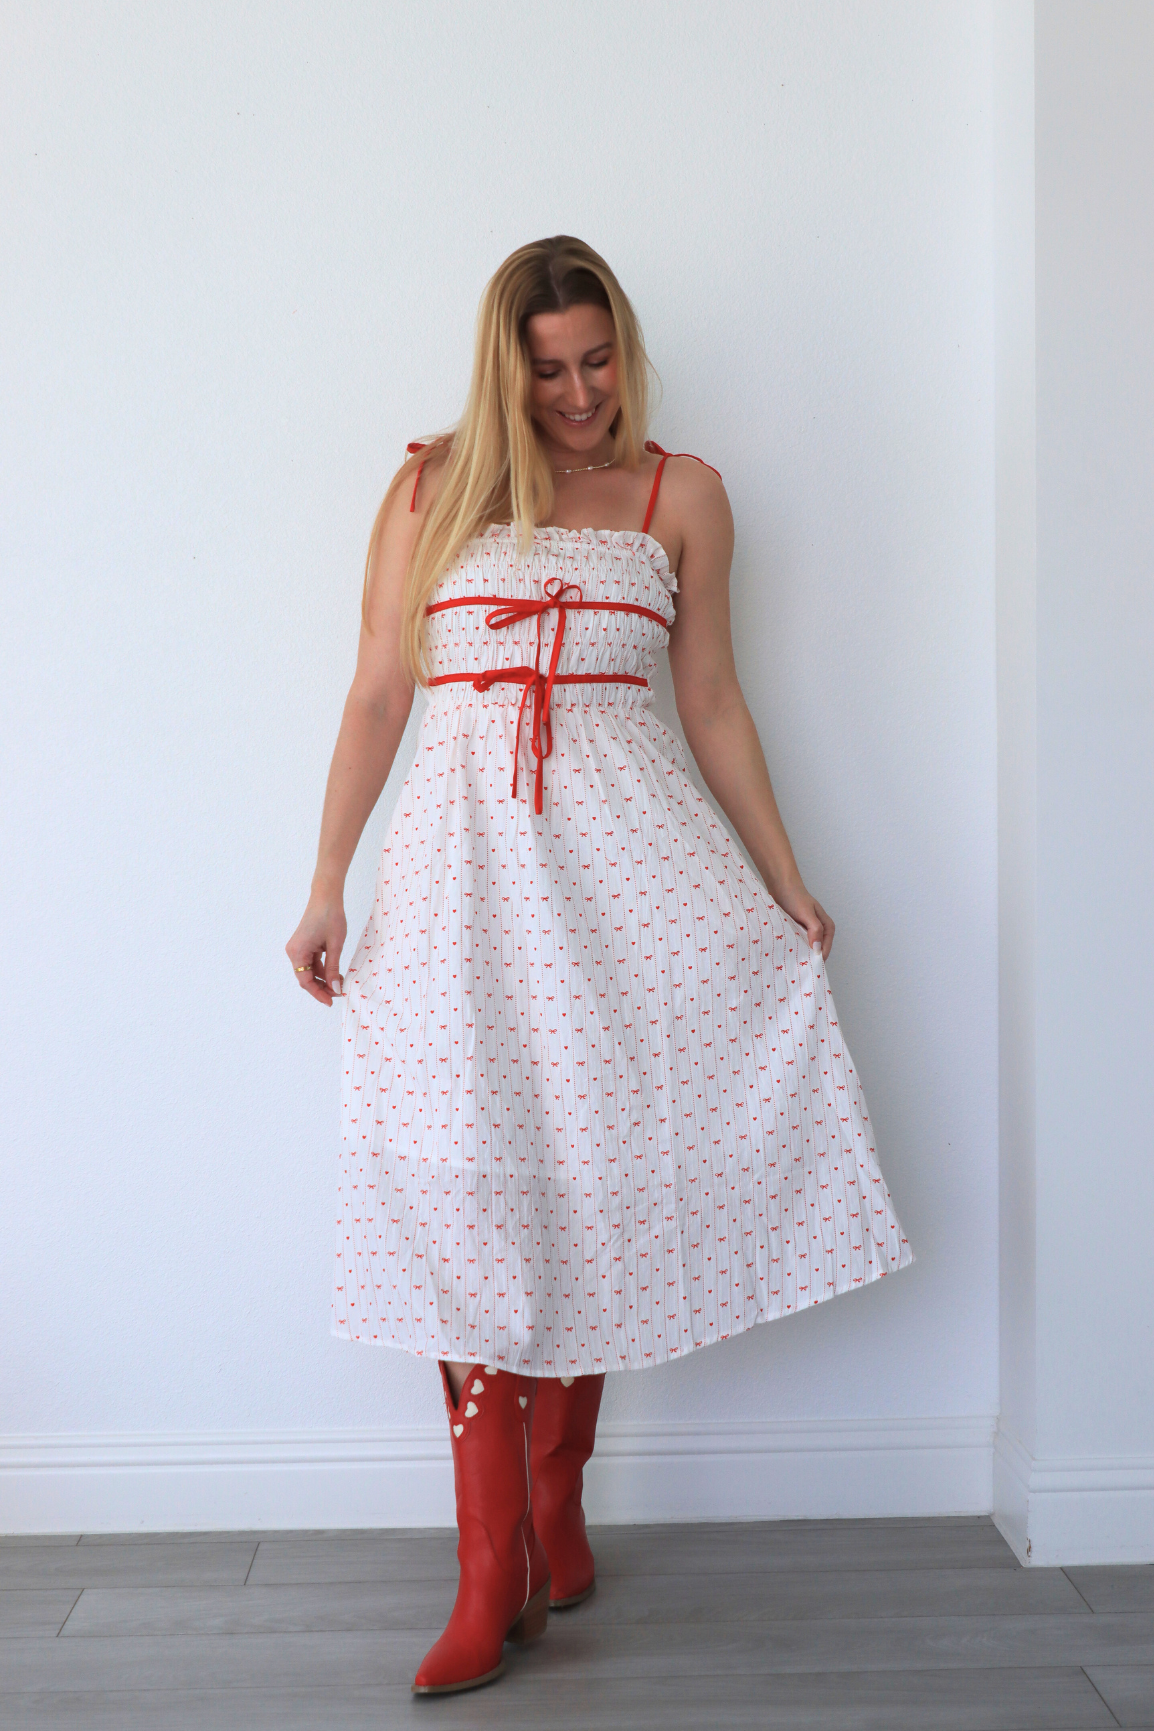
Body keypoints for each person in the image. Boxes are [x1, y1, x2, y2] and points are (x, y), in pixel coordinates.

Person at [286, 235, 915, 1696]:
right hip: (455, 899)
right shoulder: (429, 489)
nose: (578, 395)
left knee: (594, 1186)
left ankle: (555, 1506)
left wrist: (784, 880)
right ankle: (488, 1563)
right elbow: (383, 686)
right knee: (460, 1196)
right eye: (548, 369)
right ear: (502, 368)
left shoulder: (678, 494)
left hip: (631, 891)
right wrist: (325, 880)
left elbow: (711, 701)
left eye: (598, 359)